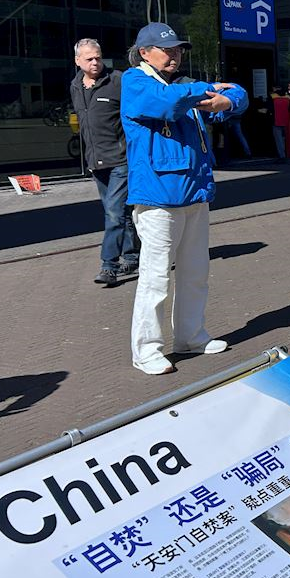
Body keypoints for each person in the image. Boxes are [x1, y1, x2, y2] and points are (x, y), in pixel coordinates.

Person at [121, 22, 248, 375]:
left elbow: (238, 95)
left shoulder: (183, 86)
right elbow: (166, 105)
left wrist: (227, 99)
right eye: (167, 50)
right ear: (144, 53)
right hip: (158, 199)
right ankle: (146, 350)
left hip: (194, 193)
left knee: (195, 273)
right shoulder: (135, 81)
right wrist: (209, 90)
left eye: (177, 49)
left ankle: (191, 337)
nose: (175, 55)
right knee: (155, 278)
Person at [69, 38, 139, 287]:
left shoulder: (117, 81)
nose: (95, 62)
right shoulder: (75, 86)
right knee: (122, 213)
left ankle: (109, 266)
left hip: (120, 160)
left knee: (113, 213)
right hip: (96, 163)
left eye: (98, 57)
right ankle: (132, 255)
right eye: (89, 58)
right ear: (78, 61)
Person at [270, 86, 290, 160]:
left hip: (276, 121)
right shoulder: (288, 97)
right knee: (285, 138)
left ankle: (282, 156)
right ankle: (288, 153)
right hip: (286, 121)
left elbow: (270, 109)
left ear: (275, 89)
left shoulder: (272, 97)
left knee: (279, 140)